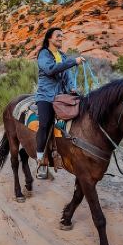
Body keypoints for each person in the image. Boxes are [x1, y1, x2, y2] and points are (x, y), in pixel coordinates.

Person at [35, 27, 85, 179]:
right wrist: (73, 61)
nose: (60, 38)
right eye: (58, 36)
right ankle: (41, 160)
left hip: (61, 96)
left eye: (62, 36)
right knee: (45, 123)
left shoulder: (62, 56)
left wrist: (72, 88)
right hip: (46, 96)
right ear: (49, 38)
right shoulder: (44, 54)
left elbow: (68, 76)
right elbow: (51, 70)